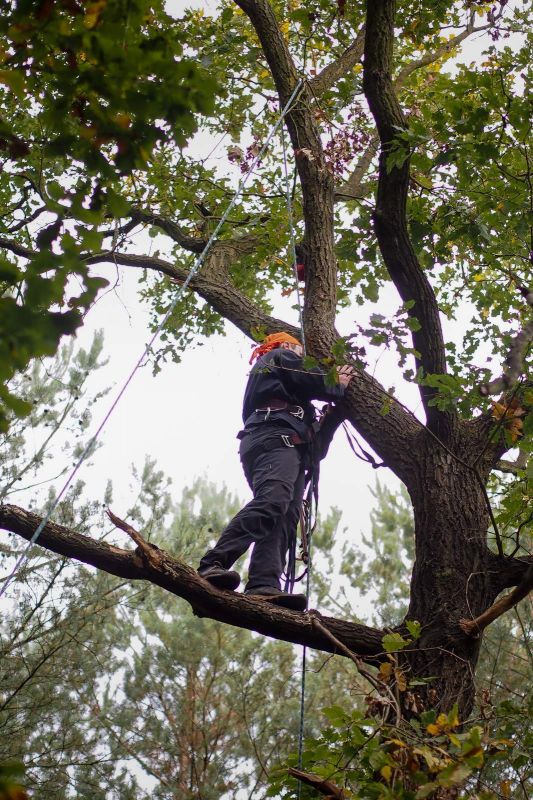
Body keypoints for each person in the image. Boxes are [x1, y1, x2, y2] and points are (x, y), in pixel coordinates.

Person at [197, 332, 353, 611]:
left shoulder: (294, 408)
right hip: (273, 440)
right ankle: (213, 563)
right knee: (273, 501)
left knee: (283, 516)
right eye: (299, 350)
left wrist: (330, 422)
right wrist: (335, 382)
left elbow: (316, 452)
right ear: (286, 345)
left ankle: (263, 584)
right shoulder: (277, 356)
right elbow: (312, 379)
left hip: (285, 447)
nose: (301, 356)